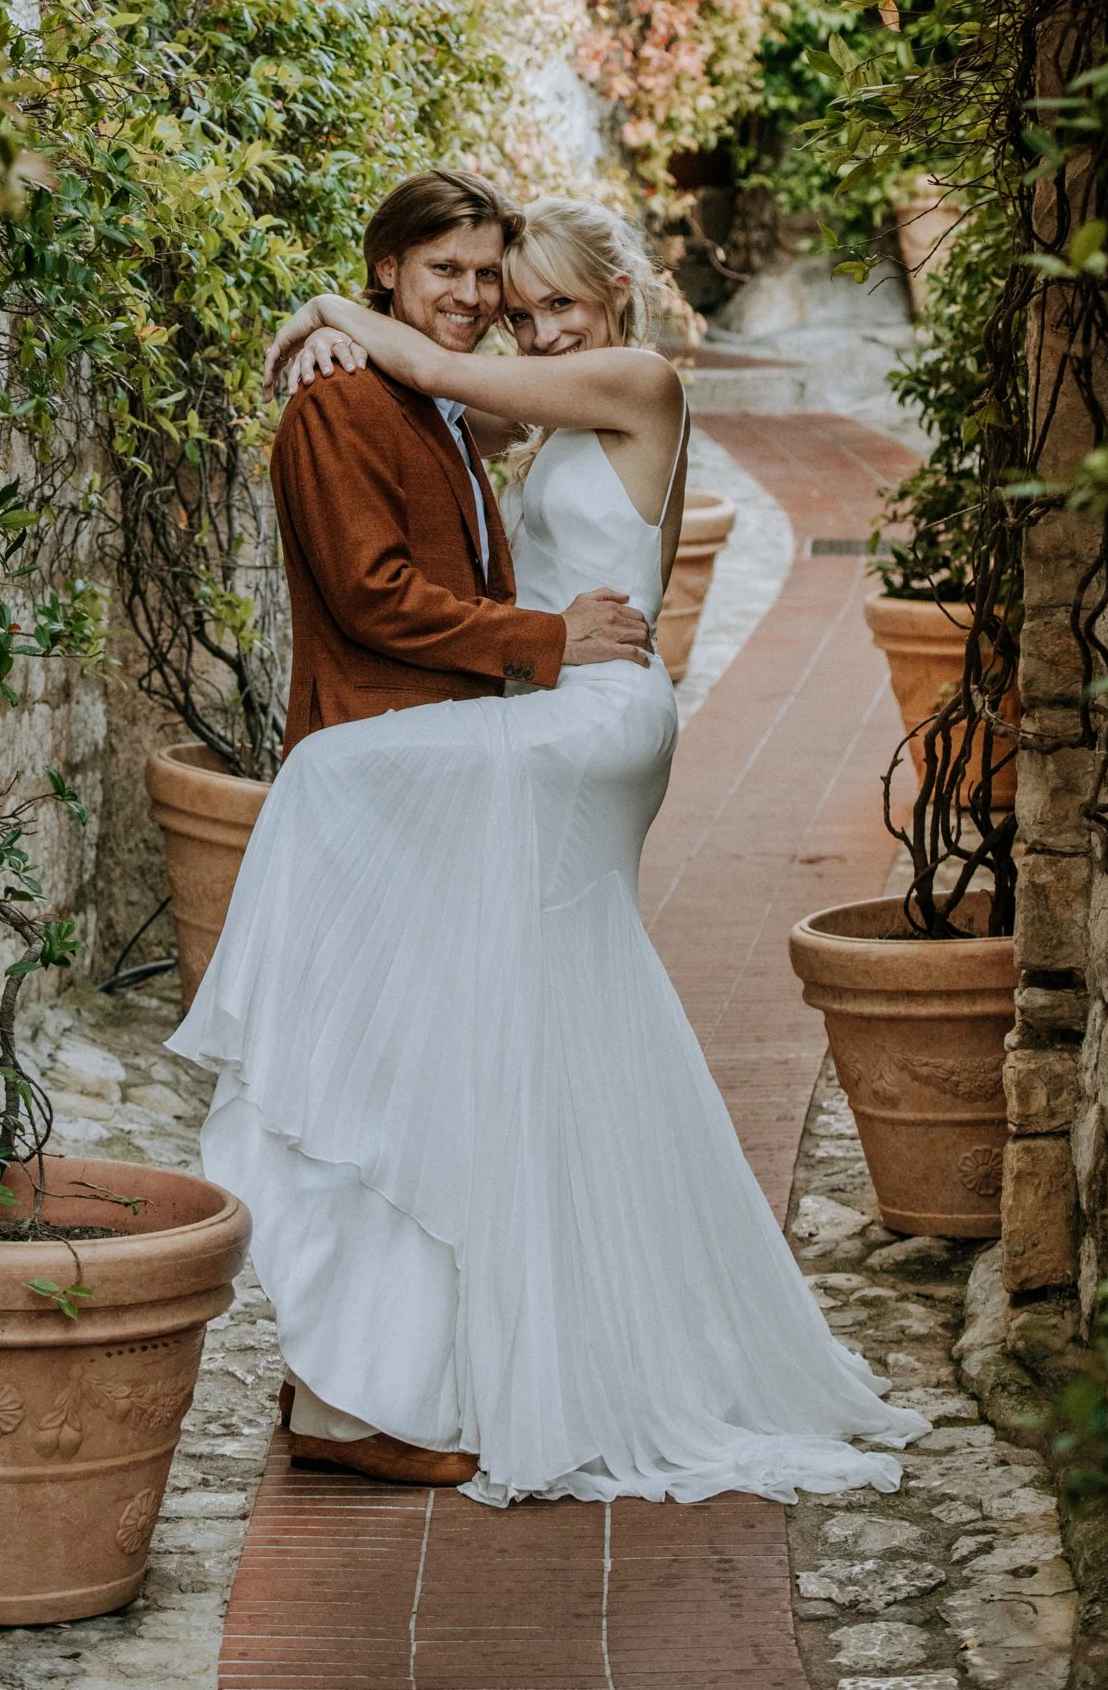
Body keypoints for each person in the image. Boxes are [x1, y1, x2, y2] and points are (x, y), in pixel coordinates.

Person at [169, 183, 926, 1507]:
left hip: (601, 713)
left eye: (544, 301)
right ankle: (442, 1359)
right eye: (511, 305)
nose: (528, 330)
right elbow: (434, 414)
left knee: (330, 781)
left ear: (619, 299)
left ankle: (283, 1053)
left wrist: (330, 309)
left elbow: (434, 372)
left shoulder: (634, 377)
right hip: (555, 702)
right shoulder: (517, 398)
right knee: (528, 1028)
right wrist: (367, 328)